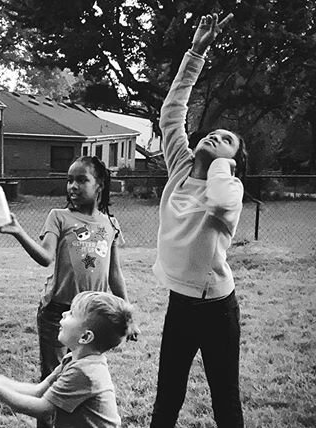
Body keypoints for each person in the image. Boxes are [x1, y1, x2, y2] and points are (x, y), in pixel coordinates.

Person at [150, 13, 246, 428]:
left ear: (233, 161)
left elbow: (222, 197)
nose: (214, 135)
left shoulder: (230, 191)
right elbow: (172, 113)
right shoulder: (180, 169)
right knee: (167, 393)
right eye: (214, 132)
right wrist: (197, 51)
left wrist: (224, 167)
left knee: (225, 398)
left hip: (217, 309)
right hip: (180, 303)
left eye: (226, 139)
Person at [0, 155, 133, 427]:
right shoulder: (58, 217)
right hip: (58, 313)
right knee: (52, 382)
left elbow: (114, 273)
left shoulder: (110, 224)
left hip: (93, 317)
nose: (73, 186)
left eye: (82, 179)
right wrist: (17, 231)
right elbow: (45, 257)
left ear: (100, 184)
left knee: (78, 376)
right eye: (69, 180)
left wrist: (126, 314)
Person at [0, 291, 135, 428]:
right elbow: (38, 391)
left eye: (71, 313)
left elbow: (43, 409)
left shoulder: (85, 372)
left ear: (85, 337)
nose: (64, 313)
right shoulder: (73, 359)